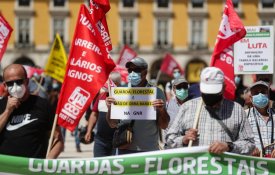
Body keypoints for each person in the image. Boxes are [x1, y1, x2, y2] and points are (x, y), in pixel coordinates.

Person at [166, 67, 255, 155]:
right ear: (200, 87)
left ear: (223, 88)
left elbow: (250, 143)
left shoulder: (237, 110)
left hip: (225, 168)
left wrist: (229, 146)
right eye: (207, 92)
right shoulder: (187, 107)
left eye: (214, 93)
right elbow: (170, 139)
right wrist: (183, 140)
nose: (210, 96)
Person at [106, 57, 170, 155]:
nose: (132, 73)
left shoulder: (157, 93)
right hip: (124, 149)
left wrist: (161, 110)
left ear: (145, 72)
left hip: (149, 151)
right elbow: (112, 124)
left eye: (136, 70)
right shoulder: (120, 92)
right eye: (130, 70)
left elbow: (164, 125)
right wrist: (110, 108)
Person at [0, 64, 64, 159]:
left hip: (32, 169)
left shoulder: (43, 105)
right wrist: (8, 110)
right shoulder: (1, 105)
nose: (15, 86)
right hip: (5, 168)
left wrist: (47, 164)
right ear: (5, 85)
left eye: (19, 81)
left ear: (27, 81)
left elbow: (58, 140)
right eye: (10, 83)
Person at [85, 72, 121, 157]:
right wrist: (89, 131)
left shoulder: (123, 97)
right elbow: (94, 114)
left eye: (108, 82)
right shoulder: (101, 96)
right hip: (100, 140)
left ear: (116, 84)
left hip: (117, 140)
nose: (105, 84)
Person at [246, 81, 275, 158]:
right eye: (256, 93)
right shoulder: (245, 116)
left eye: (263, 92)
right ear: (251, 98)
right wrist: (249, 148)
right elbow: (238, 139)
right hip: (254, 162)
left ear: (268, 95)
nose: (260, 95)